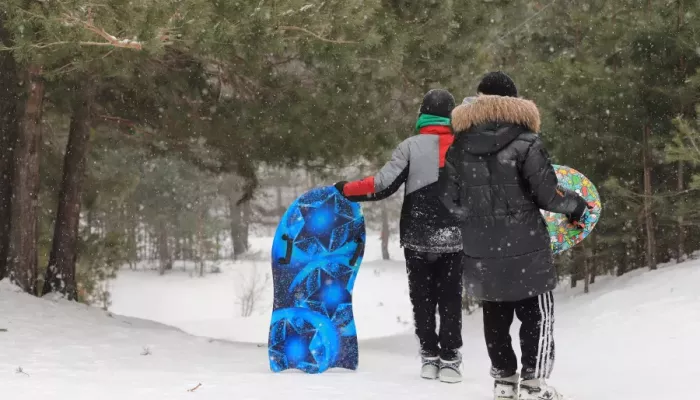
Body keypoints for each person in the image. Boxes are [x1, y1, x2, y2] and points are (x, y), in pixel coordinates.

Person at [441, 72, 590, 400]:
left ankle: (504, 383)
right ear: (516, 102)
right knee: (538, 312)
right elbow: (548, 195)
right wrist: (577, 207)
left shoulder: (459, 145)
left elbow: (449, 199)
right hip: (526, 246)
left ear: (478, 100)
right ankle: (535, 385)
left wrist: (473, 225)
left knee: (495, 313)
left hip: (480, 248)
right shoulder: (526, 141)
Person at [335, 89, 464, 383]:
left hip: (417, 235)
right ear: (450, 116)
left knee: (422, 297)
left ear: (423, 114)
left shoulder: (410, 146)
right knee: (450, 299)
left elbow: (382, 185)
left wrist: (345, 190)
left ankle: (429, 357)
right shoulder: (464, 147)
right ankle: (451, 361)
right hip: (454, 236)